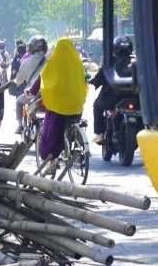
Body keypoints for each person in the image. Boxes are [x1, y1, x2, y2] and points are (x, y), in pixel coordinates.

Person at [26, 37, 89, 167]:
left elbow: (41, 78)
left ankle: (52, 161)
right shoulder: (78, 62)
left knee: (51, 131)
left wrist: (32, 91)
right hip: (76, 106)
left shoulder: (54, 62)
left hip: (58, 107)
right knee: (69, 125)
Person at [90, 35, 135, 144]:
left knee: (97, 106)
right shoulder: (136, 60)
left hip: (112, 98)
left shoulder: (110, 61)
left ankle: (100, 134)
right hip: (135, 97)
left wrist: (93, 82)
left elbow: (99, 78)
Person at [13, 35, 48, 133]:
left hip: (31, 94)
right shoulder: (49, 62)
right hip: (48, 94)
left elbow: (19, 80)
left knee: (19, 102)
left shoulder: (26, 62)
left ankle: (20, 126)